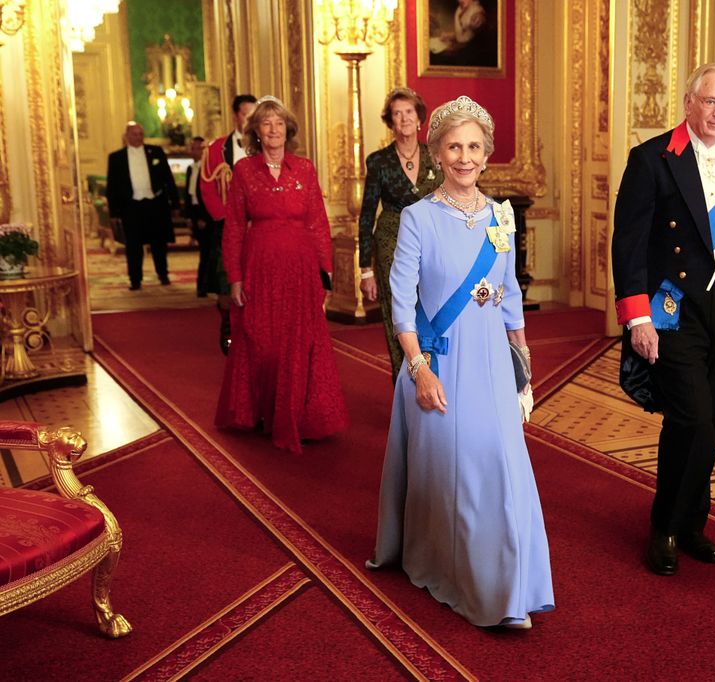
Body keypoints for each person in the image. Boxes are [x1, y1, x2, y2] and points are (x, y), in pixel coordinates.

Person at [367, 96, 553, 629]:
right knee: (459, 474)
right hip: (441, 363)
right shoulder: (418, 218)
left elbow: (509, 294)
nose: (465, 157)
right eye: (454, 147)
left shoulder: (501, 216)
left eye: (474, 147)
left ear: (487, 154)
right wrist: (418, 368)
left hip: (492, 360)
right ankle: (455, 572)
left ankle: (509, 587)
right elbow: (401, 302)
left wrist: (523, 363)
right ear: (437, 155)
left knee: (504, 467)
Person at [611, 64, 715, 577]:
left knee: (714, 419)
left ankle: (691, 525)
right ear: (689, 102)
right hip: (673, 308)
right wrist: (637, 318)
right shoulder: (653, 159)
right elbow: (628, 244)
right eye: (710, 101)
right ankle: (663, 527)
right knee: (693, 418)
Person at [214, 96, 347, 454]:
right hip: (259, 268)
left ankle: (301, 416)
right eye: (266, 123)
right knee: (263, 341)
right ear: (255, 131)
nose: (273, 129)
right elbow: (234, 227)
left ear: (288, 130)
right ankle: (265, 412)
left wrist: (326, 273)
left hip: (301, 269)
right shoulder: (244, 171)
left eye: (279, 123)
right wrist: (235, 277)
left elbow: (318, 222)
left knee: (299, 341)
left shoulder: (304, 168)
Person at [358, 88, 440, 381]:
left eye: (409, 112)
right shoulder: (378, 161)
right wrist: (366, 270)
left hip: (432, 243)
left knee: (432, 310)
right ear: (390, 121)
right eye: (397, 113)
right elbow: (367, 214)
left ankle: (433, 379)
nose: (404, 118)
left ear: (419, 118)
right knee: (399, 314)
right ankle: (404, 385)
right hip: (391, 241)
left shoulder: (436, 155)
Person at [200, 94, 258, 354]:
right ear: (236, 116)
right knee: (226, 280)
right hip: (227, 226)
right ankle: (227, 324)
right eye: (246, 114)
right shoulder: (216, 149)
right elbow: (207, 188)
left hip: (258, 225)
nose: (250, 120)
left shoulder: (265, 146)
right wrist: (226, 219)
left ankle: (253, 328)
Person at [105, 121, 179, 290]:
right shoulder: (116, 158)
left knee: (159, 243)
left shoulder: (156, 152)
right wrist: (114, 212)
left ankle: (163, 274)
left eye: (140, 134)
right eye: (134, 134)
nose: (138, 137)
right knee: (133, 245)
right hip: (131, 206)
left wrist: (175, 204)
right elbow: (112, 187)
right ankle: (135, 279)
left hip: (155, 204)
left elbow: (168, 179)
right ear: (127, 136)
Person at [184, 136, 213, 297]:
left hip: (205, 215)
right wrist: (189, 217)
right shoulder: (191, 169)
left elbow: (209, 195)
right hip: (195, 213)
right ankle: (203, 285)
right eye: (193, 148)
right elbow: (190, 195)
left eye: (198, 148)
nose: (195, 152)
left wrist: (205, 217)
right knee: (203, 250)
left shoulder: (209, 169)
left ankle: (203, 285)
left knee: (206, 252)